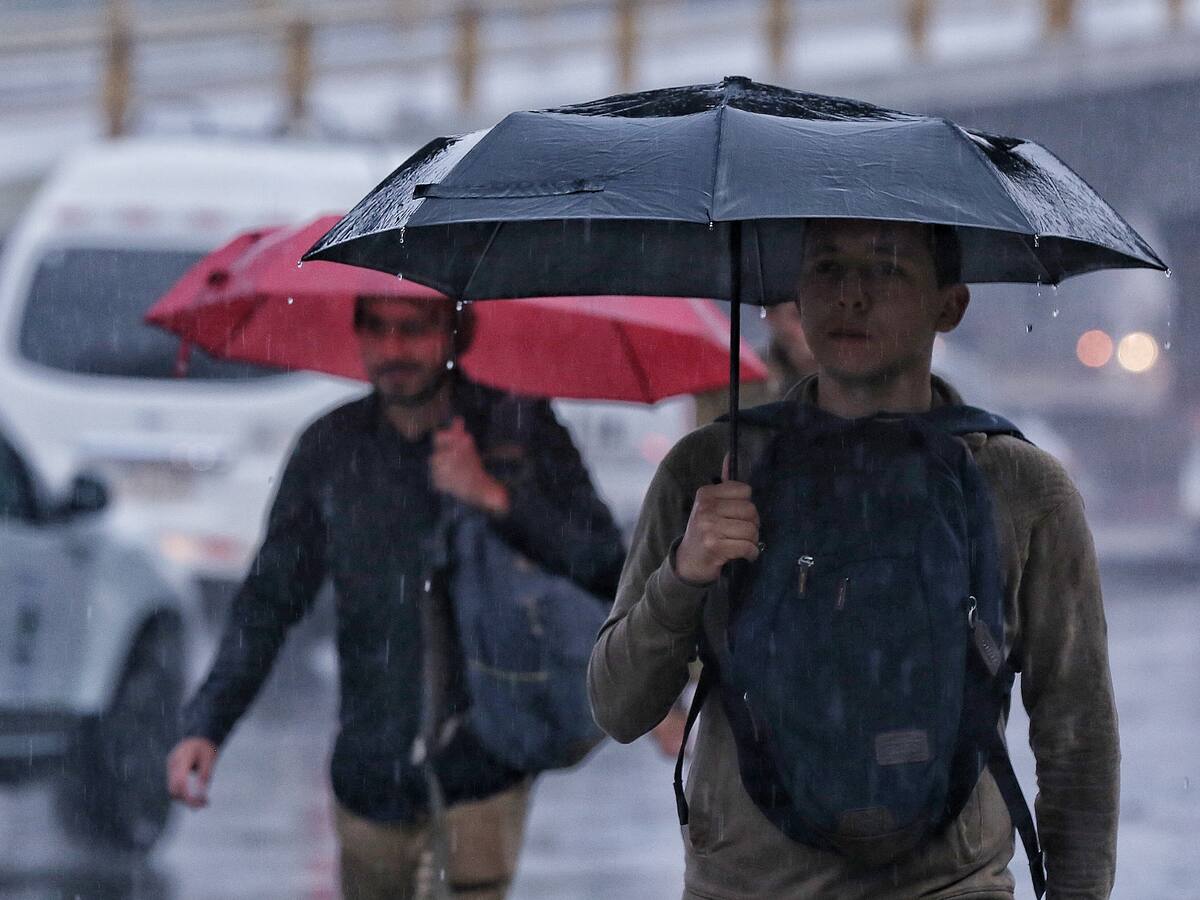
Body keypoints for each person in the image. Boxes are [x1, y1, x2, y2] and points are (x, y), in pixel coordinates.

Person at [588, 218, 1119, 898]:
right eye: (827, 268)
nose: (852, 296)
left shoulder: (1020, 488)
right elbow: (618, 707)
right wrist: (683, 573)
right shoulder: (710, 470)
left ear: (949, 305)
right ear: (795, 295)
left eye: (888, 267)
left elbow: (1077, 739)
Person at [168, 293, 625, 900]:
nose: (393, 350)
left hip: (484, 762)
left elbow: (606, 565)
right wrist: (208, 723)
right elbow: (269, 600)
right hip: (369, 763)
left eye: (414, 330)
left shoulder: (517, 430)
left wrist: (493, 496)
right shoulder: (332, 448)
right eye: (377, 330)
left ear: (455, 334)